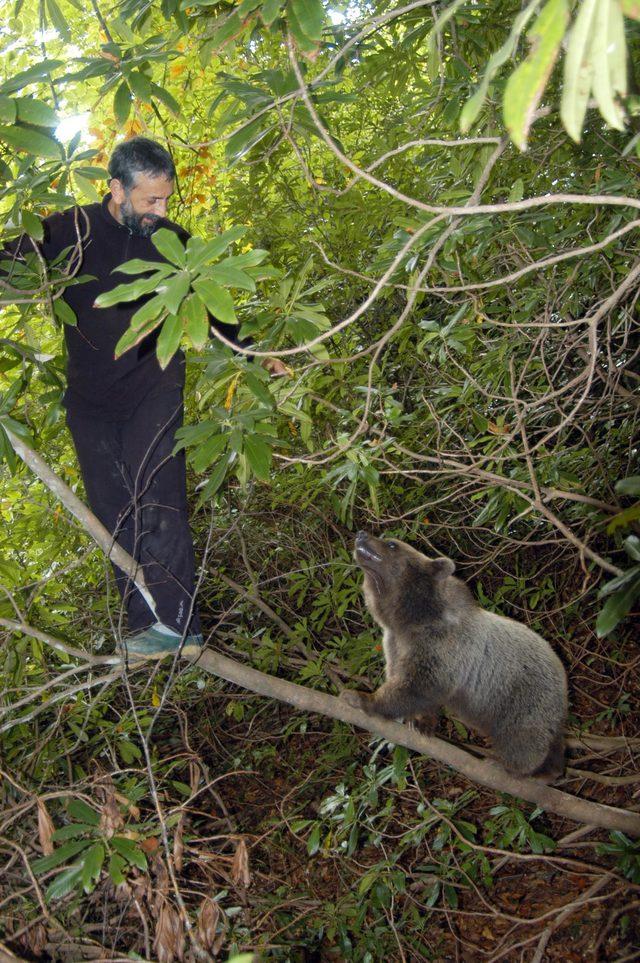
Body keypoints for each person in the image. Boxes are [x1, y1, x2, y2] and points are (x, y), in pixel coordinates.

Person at [1, 136, 287, 660]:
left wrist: (254, 352)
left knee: (159, 499)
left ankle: (180, 625)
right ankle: (144, 626)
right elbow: (7, 263)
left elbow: (215, 311)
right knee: (114, 512)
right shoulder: (68, 229)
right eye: (149, 200)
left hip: (153, 386)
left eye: (165, 199)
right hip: (89, 400)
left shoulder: (174, 240)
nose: (160, 210)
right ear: (116, 189)